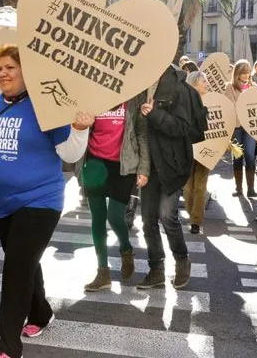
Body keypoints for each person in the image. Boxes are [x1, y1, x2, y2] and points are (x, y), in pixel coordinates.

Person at [0, 45, 91, 358]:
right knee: (24, 263)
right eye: (0, 68)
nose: (4, 73)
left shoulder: (44, 105)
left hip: (40, 201)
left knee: (15, 270)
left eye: (11, 67)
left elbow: (70, 153)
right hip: (3, 203)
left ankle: (8, 346)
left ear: (28, 72)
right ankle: (40, 313)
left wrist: (79, 129)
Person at [79, 93, 149, 291]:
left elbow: (142, 134)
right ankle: (103, 272)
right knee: (98, 218)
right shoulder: (92, 98)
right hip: (95, 163)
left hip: (123, 166)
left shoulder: (132, 100)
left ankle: (126, 249)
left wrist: (143, 168)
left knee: (115, 217)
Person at [136, 63, 196, 290]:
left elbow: (183, 127)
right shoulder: (142, 85)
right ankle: (156, 270)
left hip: (172, 163)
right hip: (149, 163)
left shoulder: (179, 88)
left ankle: (182, 261)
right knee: (148, 219)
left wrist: (154, 114)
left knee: (167, 215)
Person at [225, 60, 257, 198]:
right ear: (237, 73)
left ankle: (251, 188)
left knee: (250, 155)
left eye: (248, 72)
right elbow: (230, 105)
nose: (246, 75)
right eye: (243, 73)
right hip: (236, 127)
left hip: (250, 127)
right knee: (237, 156)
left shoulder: (253, 86)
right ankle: (239, 189)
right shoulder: (230, 87)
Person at [184, 71, 211, 234]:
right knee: (188, 188)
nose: (206, 83)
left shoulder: (213, 101)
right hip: (188, 148)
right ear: (194, 84)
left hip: (206, 148)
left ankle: (195, 220)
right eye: (203, 81)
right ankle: (192, 214)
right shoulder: (184, 103)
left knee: (200, 187)